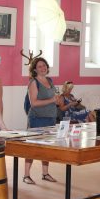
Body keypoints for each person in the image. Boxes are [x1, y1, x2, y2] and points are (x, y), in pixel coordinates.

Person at [23, 57, 61, 185]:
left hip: (50, 118)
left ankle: (45, 173)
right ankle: (26, 175)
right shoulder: (33, 82)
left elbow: (54, 98)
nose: (43, 68)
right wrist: (52, 100)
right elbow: (33, 103)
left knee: (47, 147)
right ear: (34, 69)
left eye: (44, 65)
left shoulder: (50, 80)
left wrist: (59, 100)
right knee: (33, 147)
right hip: (37, 119)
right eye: (39, 66)